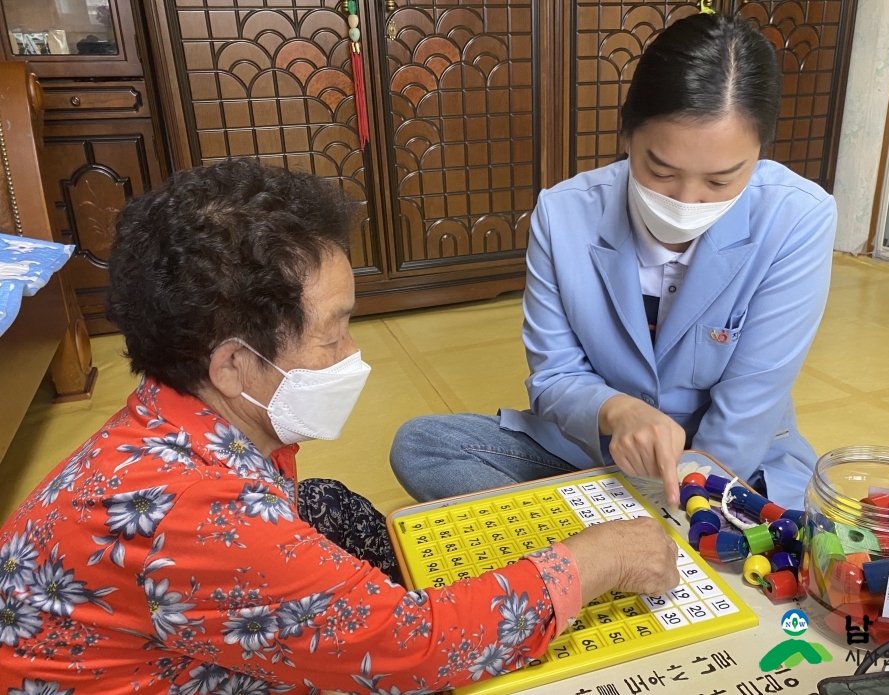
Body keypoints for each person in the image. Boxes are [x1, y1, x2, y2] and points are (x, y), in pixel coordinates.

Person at [0, 159, 680, 694]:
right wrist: (596, 559)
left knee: (331, 508)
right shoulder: (201, 514)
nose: (354, 356)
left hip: (143, 629)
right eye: (333, 334)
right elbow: (421, 647)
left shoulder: (174, 412)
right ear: (235, 364)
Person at [391, 12, 837, 511]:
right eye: (660, 169)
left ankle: (599, 541)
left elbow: (747, 411)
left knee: (827, 546)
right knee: (423, 447)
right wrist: (616, 410)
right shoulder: (563, 215)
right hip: (598, 458)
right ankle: (610, 541)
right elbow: (554, 376)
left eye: (720, 181)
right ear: (627, 133)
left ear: (759, 154)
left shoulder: (797, 218)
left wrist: (688, 502)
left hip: (736, 467)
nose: (687, 200)